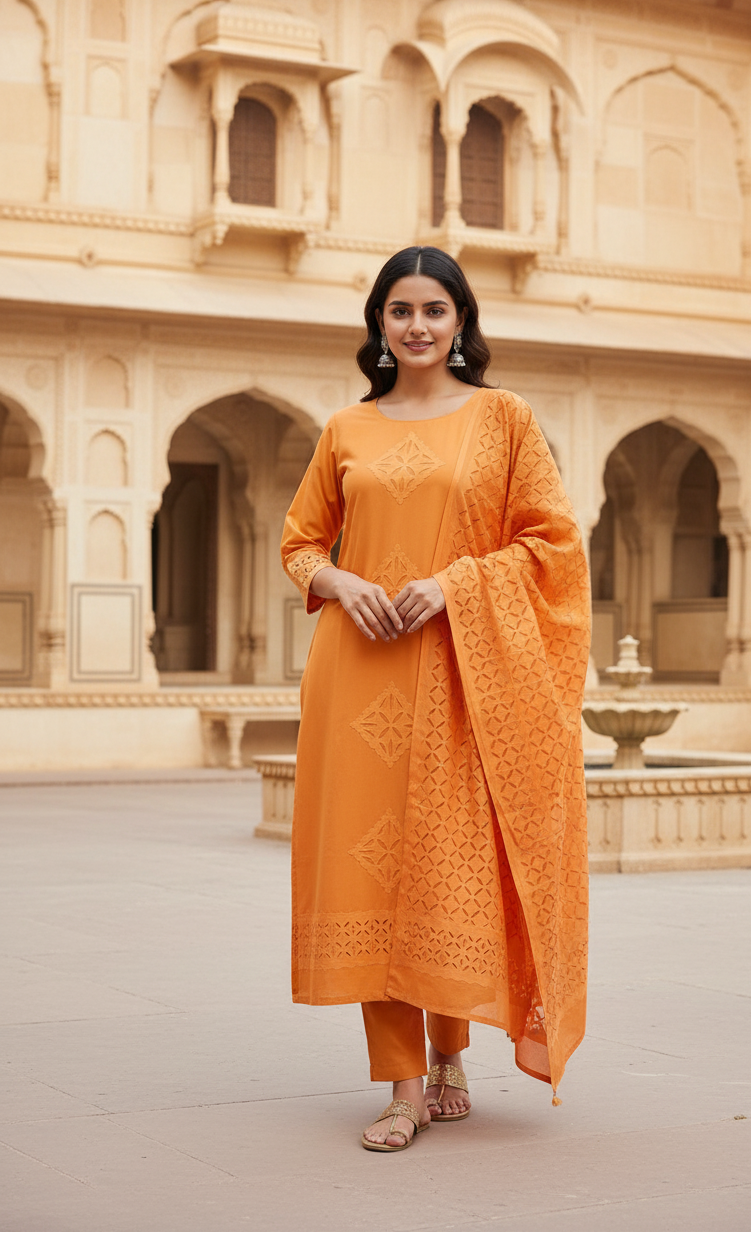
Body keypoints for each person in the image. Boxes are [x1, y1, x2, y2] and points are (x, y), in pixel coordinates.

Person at [281, 246, 590, 1152]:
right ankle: (403, 1087)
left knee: (440, 859)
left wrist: (456, 583)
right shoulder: (345, 427)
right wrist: (339, 582)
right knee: (371, 870)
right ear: (378, 325)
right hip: (358, 669)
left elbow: (552, 544)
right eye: (399, 310)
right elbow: (301, 543)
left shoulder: (503, 419)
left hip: (461, 673)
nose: (416, 326)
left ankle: (451, 1053)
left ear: (461, 324)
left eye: (434, 310)